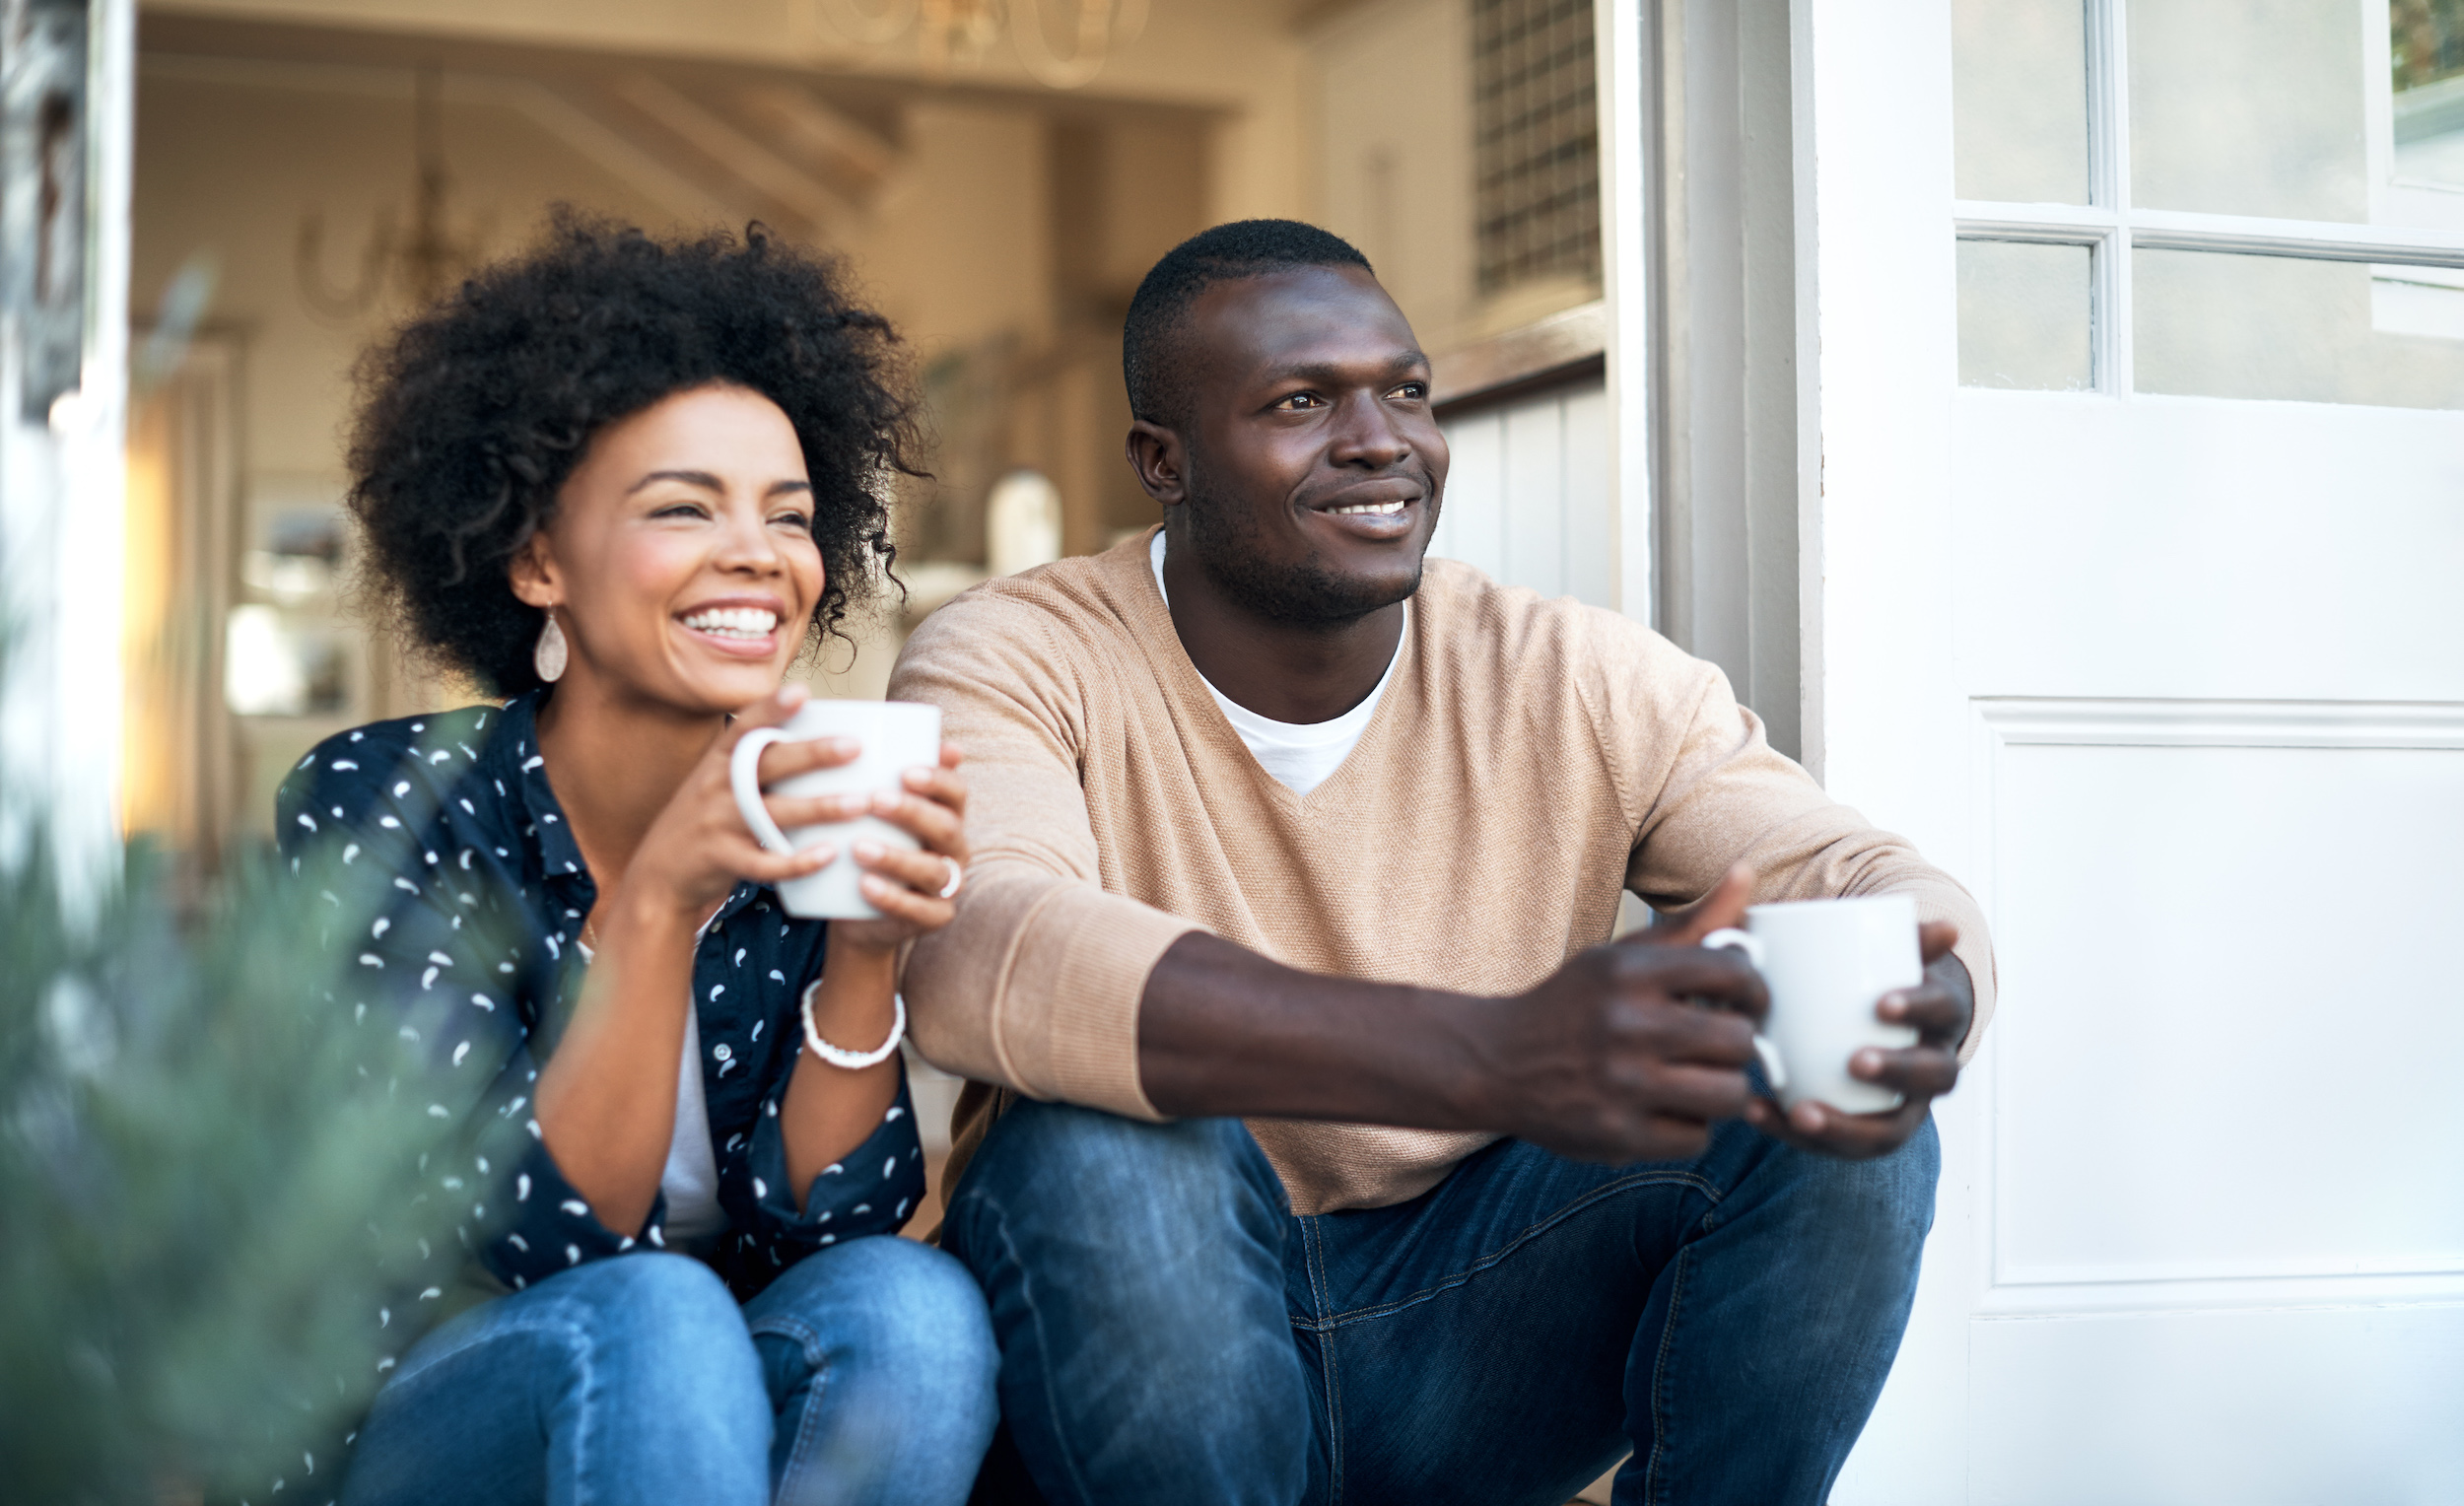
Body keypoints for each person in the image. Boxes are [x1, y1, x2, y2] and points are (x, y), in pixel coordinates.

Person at [888, 220, 1997, 1506]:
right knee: (1102, 1147)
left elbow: (1857, 872)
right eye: (1302, 402)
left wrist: (1930, 986)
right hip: (1144, 1323)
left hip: (1471, 1331)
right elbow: (980, 952)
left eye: (1405, 391)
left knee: (1829, 1100)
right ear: (1164, 460)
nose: (1382, 440)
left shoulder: (1569, 672)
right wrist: (1495, 1051)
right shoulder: (1016, 651)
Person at [275, 215, 997, 1506]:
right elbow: (535, 1247)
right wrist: (663, 896)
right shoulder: (388, 804)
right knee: (652, 1315)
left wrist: (867, 950)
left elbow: (828, 1228)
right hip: (432, 1406)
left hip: (701, 1381)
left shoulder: (801, 801)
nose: (759, 556)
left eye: (789, 515)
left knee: (913, 1310)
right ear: (538, 557)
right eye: (684, 508)